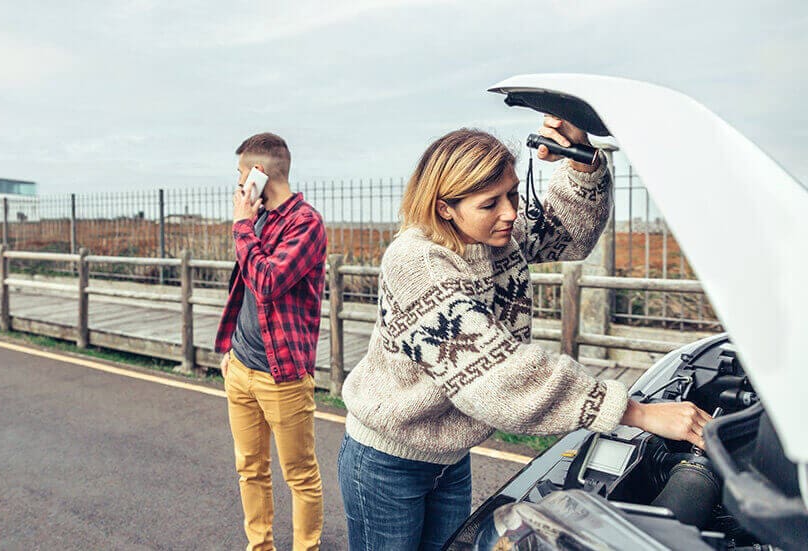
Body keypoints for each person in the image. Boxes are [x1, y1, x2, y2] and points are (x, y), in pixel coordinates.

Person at [337, 117, 712, 551]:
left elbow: (569, 234)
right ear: (444, 207)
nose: (510, 212)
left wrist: (582, 162)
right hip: (387, 460)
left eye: (513, 193)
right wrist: (639, 413)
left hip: (449, 456)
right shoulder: (417, 263)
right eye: (490, 202)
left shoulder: (494, 236)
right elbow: (496, 377)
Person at [215, 132, 327, 551]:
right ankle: (259, 547)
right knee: (250, 469)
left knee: (299, 475)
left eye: (241, 174)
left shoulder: (306, 224)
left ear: (259, 172)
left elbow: (267, 282)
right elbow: (243, 288)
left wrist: (242, 224)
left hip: (281, 375)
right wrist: (230, 349)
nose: (239, 184)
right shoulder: (259, 217)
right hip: (241, 368)